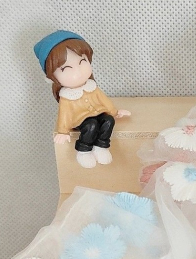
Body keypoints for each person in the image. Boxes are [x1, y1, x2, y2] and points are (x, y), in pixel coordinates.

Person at [34, 30, 130, 168]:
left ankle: (101, 146)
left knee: (108, 120)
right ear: (52, 77)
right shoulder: (67, 96)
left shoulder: (92, 86)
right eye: (66, 68)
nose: (78, 72)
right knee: (91, 125)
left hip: (98, 113)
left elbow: (104, 101)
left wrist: (115, 112)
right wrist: (62, 132)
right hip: (79, 119)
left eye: (82, 61)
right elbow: (64, 115)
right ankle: (84, 150)